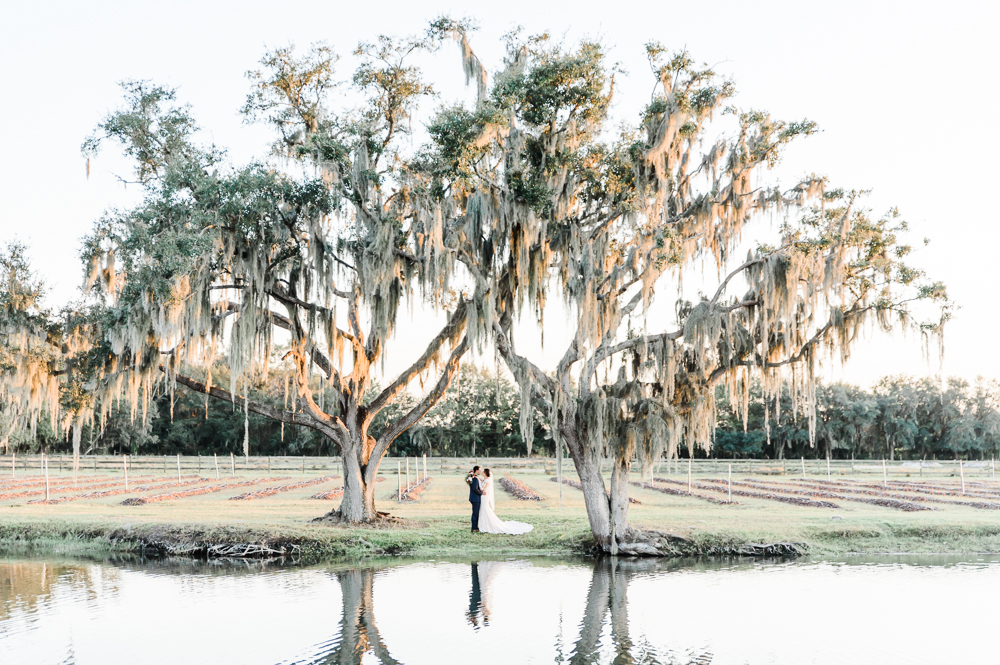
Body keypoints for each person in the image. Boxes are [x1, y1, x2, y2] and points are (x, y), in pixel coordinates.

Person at [476, 469, 534, 535]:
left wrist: (478, 482)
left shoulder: (487, 480)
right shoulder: (484, 479)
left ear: (485, 473)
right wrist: (477, 478)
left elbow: (482, 488)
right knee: (483, 510)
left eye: (483, 472)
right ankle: (484, 524)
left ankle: (486, 525)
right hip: (483, 496)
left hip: (484, 497)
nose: (482, 472)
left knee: (485, 510)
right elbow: (481, 479)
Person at [468, 467, 484, 532]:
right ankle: (474, 528)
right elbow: (475, 489)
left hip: (474, 498)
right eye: (480, 470)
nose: (480, 471)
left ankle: (475, 526)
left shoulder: (474, 477)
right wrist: (481, 492)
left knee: (476, 513)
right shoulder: (475, 478)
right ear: (477, 470)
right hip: (475, 498)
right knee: (475, 513)